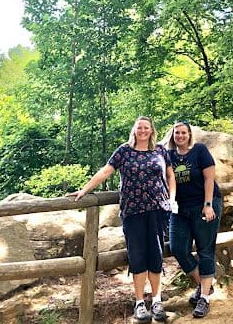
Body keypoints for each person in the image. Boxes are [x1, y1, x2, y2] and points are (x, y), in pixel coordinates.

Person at [68, 116, 176, 323]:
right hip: (132, 212)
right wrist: (84, 190)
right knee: (137, 257)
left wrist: (171, 199)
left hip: (157, 210)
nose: (142, 131)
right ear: (134, 130)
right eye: (139, 127)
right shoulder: (124, 151)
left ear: (151, 130)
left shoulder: (160, 151)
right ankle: (139, 303)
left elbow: (170, 176)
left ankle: (156, 301)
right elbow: (106, 171)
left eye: (146, 128)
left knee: (155, 255)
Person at [168, 120, 222, 319]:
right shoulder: (169, 155)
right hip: (180, 209)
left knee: (205, 250)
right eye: (177, 133)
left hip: (204, 205)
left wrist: (208, 205)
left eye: (183, 132)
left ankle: (204, 299)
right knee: (178, 248)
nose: (180, 136)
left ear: (189, 134)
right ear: (173, 135)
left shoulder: (199, 150)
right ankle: (204, 285)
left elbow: (209, 178)